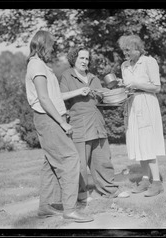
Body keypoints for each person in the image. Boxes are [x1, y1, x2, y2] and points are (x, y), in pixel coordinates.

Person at [25, 30, 93, 222]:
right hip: (49, 119)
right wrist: (62, 122)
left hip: (49, 118)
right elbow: (44, 99)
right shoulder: (37, 65)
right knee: (71, 159)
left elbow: (51, 96)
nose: (53, 49)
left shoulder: (38, 65)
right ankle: (70, 209)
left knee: (50, 164)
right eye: (51, 45)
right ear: (43, 44)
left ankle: (46, 206)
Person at [59, 46, 130, 203]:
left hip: (97, 123)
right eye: (81, 58)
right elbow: (60, 96)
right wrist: (79, 92)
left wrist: (113, 95)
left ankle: (109, 190)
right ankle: (81, 194)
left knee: (103, 160)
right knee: (81, 164)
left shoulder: (93, 78)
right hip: (79, 125)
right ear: (73, 59)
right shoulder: (67, 76)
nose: (85, 61)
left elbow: (102, 99)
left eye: (86, 58)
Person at [118, 35, 166, 197]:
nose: (125, 53)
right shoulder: (124, 66)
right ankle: (145, 180)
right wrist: (122, 87)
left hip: (146, 103)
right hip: (132, 105)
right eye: (123, 50)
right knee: (139, 142)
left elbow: (157, 87)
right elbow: (128, 87)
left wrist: (137, 84)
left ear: (138, 49)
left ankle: (157, 183)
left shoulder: (149, 62)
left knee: (148, 142)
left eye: (128, 50)